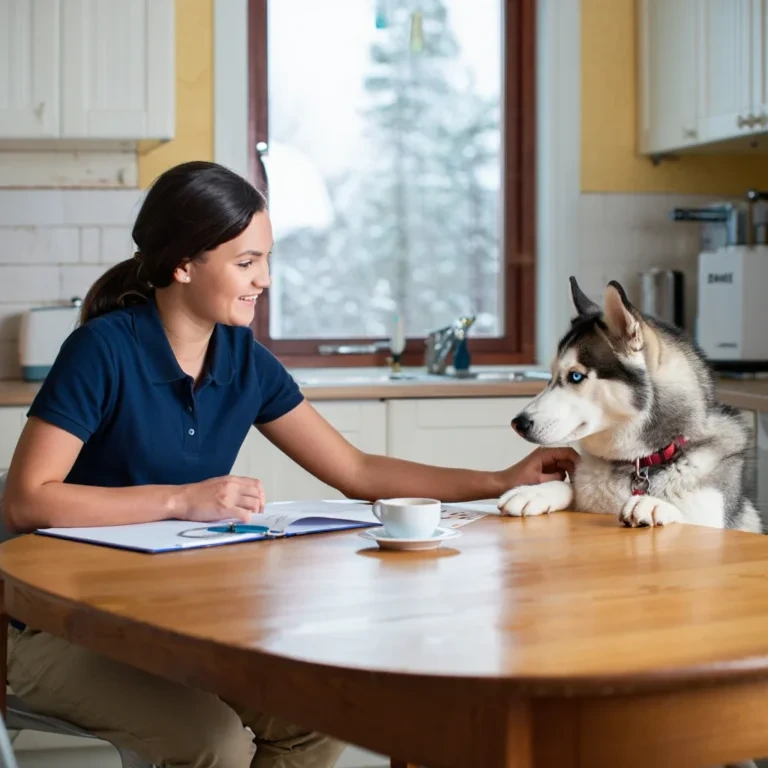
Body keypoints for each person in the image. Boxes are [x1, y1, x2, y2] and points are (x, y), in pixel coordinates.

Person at [1, 160, 579, 768]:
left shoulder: (243, 360)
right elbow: (26, 499)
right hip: (53, 625)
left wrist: (500, 480)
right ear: (183, 264)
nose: (265, 279)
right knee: (211, 742)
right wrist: (181, 498)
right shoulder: (102, 350)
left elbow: (356, 471)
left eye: (267, 259)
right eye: (246, 262)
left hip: (167, 617)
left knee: (317, 719)